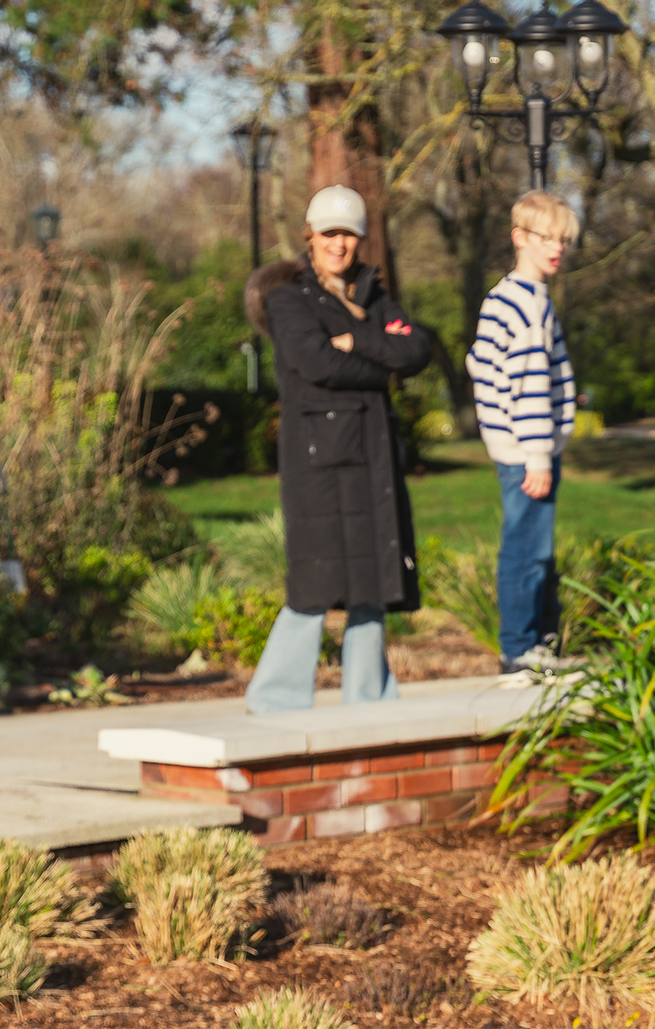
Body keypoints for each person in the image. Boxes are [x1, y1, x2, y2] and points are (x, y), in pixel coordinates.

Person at [241, 184, 432, 714]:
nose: (339, 243)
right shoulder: (288, 298)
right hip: (318, 462)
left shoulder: (373, 294)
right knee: (315, 579)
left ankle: (369, 698)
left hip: (373, 456)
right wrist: (379, 363)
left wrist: (361, 340)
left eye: (349, 233)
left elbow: (415, 346)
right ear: (310, 236)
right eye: (329, 232)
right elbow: (315, 362)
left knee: (372, 578)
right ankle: (276, 697)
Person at [465, 191, 579, 672]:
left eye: (563, 240)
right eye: (545, 238)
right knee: (527, 552)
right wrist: (535, 455)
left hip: (523, 447)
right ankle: (518, 651)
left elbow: (479, 363)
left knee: (535, 549)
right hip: (526, 452)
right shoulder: (523, 304)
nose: (556, 248)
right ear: (519, 238)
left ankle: (538, 645)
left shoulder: (519, 297)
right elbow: (528, 383)